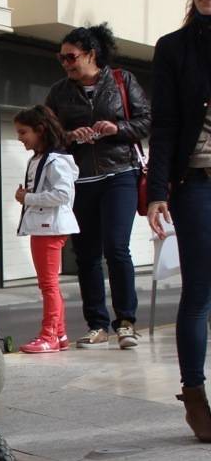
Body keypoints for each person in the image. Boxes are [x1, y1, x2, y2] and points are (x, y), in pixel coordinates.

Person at [45, 22, 150, 350]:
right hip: (80, 180)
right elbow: (47, 133)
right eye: (61, 58)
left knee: (116, 248)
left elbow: (147, 121)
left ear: (91, 54)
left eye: (71, 57)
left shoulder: (122, 80)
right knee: (87, 255)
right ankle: (97, 324)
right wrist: (68, 137)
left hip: (120, 173)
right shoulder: (59, 92)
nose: (66, 63)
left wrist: (116, 128)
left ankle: (126, 322)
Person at [145, 0, 211, 442]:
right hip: (198, 187)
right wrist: (156, 192)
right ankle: (195, 398)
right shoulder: (174, 48)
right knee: (199, 295)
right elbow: (163, 125)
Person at [12, 105, 80, 354]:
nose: (20, 138)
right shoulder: (41, 159)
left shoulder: (54, 160)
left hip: (49, 228)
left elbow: (63, 194)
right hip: (45, 227)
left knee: (48, 285)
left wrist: (28, 198)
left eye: (23, 132)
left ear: (40, 130)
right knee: (49, 284)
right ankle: (58, 334)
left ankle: (49, 334)